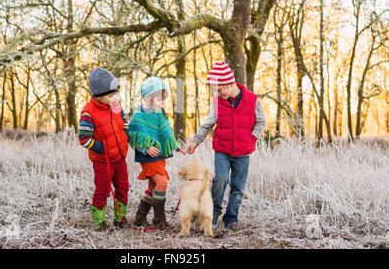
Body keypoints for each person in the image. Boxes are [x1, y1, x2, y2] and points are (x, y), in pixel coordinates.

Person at [187, 60, 266, 230]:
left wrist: (252, 138)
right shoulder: (217, 102)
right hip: (222, 151)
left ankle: (231, 217)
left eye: (220, 89)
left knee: (238, 187)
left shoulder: (252, 100)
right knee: (220, 180)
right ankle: (213, 214)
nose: (218, 93)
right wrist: (196, 141)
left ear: (230, 84)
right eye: (216, 90)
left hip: (243, 152)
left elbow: (261, 122)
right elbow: (207, 124)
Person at [128, 76, 186, 227]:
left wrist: (175, 145)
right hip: (148, 157)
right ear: (147, 97)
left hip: (159, 156)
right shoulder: (139, 115)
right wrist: (145, 146)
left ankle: (140, 218)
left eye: (163, 98)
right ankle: (159, 219)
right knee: (162, 182)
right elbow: (132, 135)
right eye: (158, 98)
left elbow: (165, 133)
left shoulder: (158, 114)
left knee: (152, 187)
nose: (162, 102)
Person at [78, 68, 129, 231]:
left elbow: (124, 120)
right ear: (98, 94)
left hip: (119, 157)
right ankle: (99, 221)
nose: (114, 98)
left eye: (115, 95)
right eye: (110, 95)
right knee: (103, 190)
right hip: (103, 160)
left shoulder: (115, 106)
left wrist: (125, 133)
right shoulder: (88, 113)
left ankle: (120, 218)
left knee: (123, 187)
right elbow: (83, 139)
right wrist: (99, 147)